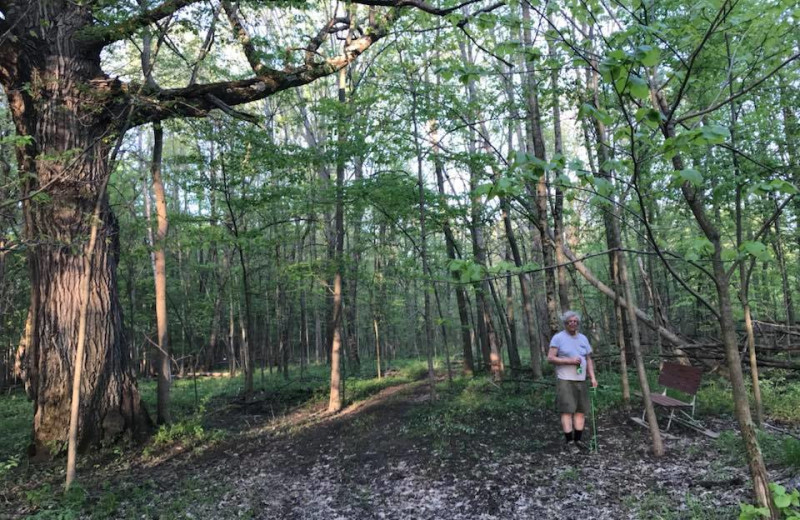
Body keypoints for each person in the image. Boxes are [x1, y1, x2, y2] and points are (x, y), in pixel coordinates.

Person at [547, 310, 597, 452]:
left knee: (581, 411)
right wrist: (568, 361)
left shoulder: (583, 339)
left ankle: (578, 440)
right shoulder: (558, 338)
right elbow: (550, 358)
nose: (573, 324)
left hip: (581, 380)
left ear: (578, 324)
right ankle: (569, 442)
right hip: (565, 380)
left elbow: (588, 359)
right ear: (565, 324)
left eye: (575, 321)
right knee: (567, 411)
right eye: (570, 322)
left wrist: (592, 377)